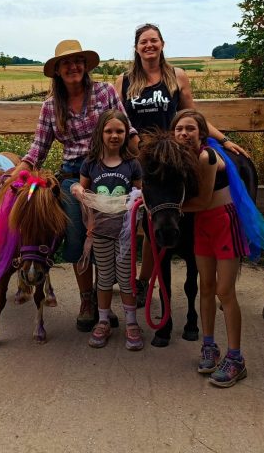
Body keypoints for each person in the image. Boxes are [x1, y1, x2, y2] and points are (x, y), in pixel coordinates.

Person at [115, 23, 248, 308]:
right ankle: (140, 281)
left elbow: (193, 116)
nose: (149, 45)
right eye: (143, 42)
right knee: (144, 220)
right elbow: (119, 121)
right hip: (141, 157)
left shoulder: (176, 76)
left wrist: (224, 140)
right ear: (136, 47)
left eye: (154, 40)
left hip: (174, 158)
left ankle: (213, 280)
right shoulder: (124, 80)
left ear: (162, 44)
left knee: (178, 214)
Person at [18, 39, 135, 332]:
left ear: (85, 66)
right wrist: (17, 174)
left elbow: (127, 128)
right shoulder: (50, 106)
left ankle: (103, 298)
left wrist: (142, 159)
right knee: (75, 234)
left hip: (110, 171)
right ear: (58, 71)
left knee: (109, 234)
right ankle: (87, 300)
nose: (73, 67)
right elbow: (38, 149)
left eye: (78, 61)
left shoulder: (105, 92)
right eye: (66, 63)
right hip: (73, 176)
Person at [173, 109, 250, 387]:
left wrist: (165, 208)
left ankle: (236, 358)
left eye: (190, 129)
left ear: (201, 133)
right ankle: (209, 345)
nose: (184, 133)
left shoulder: (207, 156)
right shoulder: (179, 157)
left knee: (224, 291)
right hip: (202, 226)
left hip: (223, 223)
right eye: (179, 129)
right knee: (205, 286)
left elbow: (203, 201)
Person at [71, 109, 144, 350]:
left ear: (126, 134)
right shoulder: (91, 164)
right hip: (100, 232)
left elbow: (138, 195)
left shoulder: (132, 164)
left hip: (125, 235)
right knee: (103, 278)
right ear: (100, 133)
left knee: (126, 279)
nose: (114, 135)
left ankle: (131, 322)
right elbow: (83, 192)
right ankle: (103, 321)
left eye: (120, 131)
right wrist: (77, 190)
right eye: (109, 131)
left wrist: (138, 202)